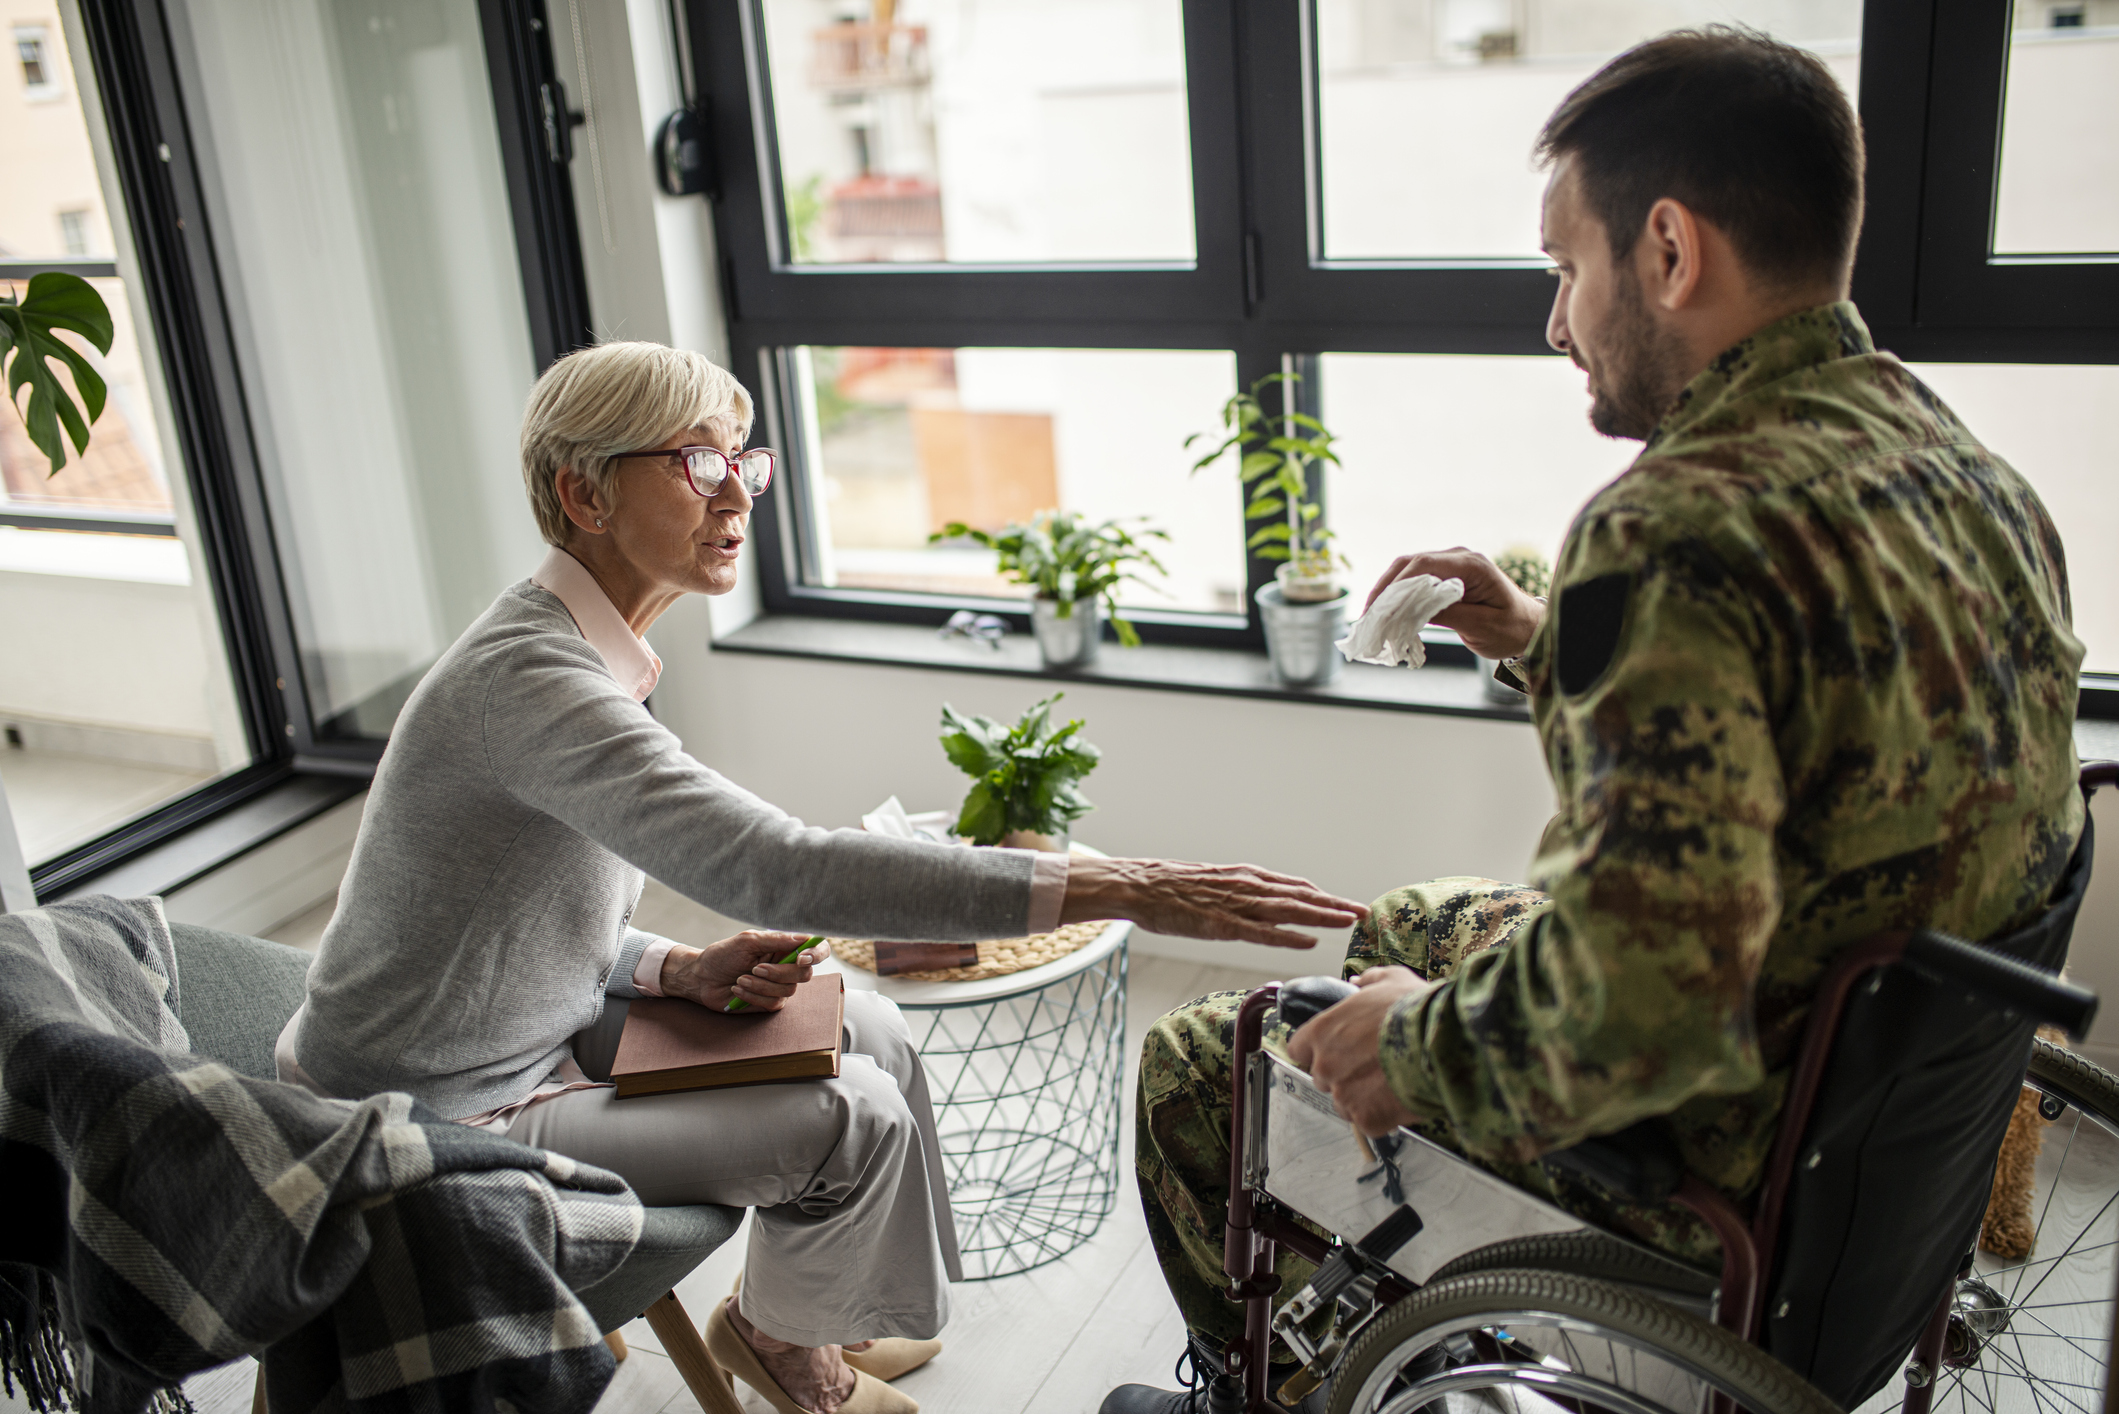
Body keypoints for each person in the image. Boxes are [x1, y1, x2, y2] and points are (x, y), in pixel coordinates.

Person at [1106, 25, 2084, 1414]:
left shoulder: (1675, 525)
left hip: (1724, 1146)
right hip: (1874, 1108)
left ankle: (1263, 1384)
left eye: (1565, 268)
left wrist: (1407, 1046)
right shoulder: (1965, 474)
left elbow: (1632, 1018)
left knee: (1203, 1060)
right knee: (1408, 918)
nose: (1554, 320)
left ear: (1669, 250)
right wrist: (1531, 634)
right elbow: (1811, 733)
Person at [279, 339, 1369, 1414]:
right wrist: (1114, 882)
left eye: (741, 462)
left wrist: (677, 970)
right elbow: (773, 866)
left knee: (873, 1026)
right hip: (436, 1106)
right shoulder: (531, 679)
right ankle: (786, 1351)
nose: (737, 494)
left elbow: (497, 911)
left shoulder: (581, 650)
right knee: (856, 1117)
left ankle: (796, 1313)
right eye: (695, 462)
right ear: (584, 493)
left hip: (514, 1031)